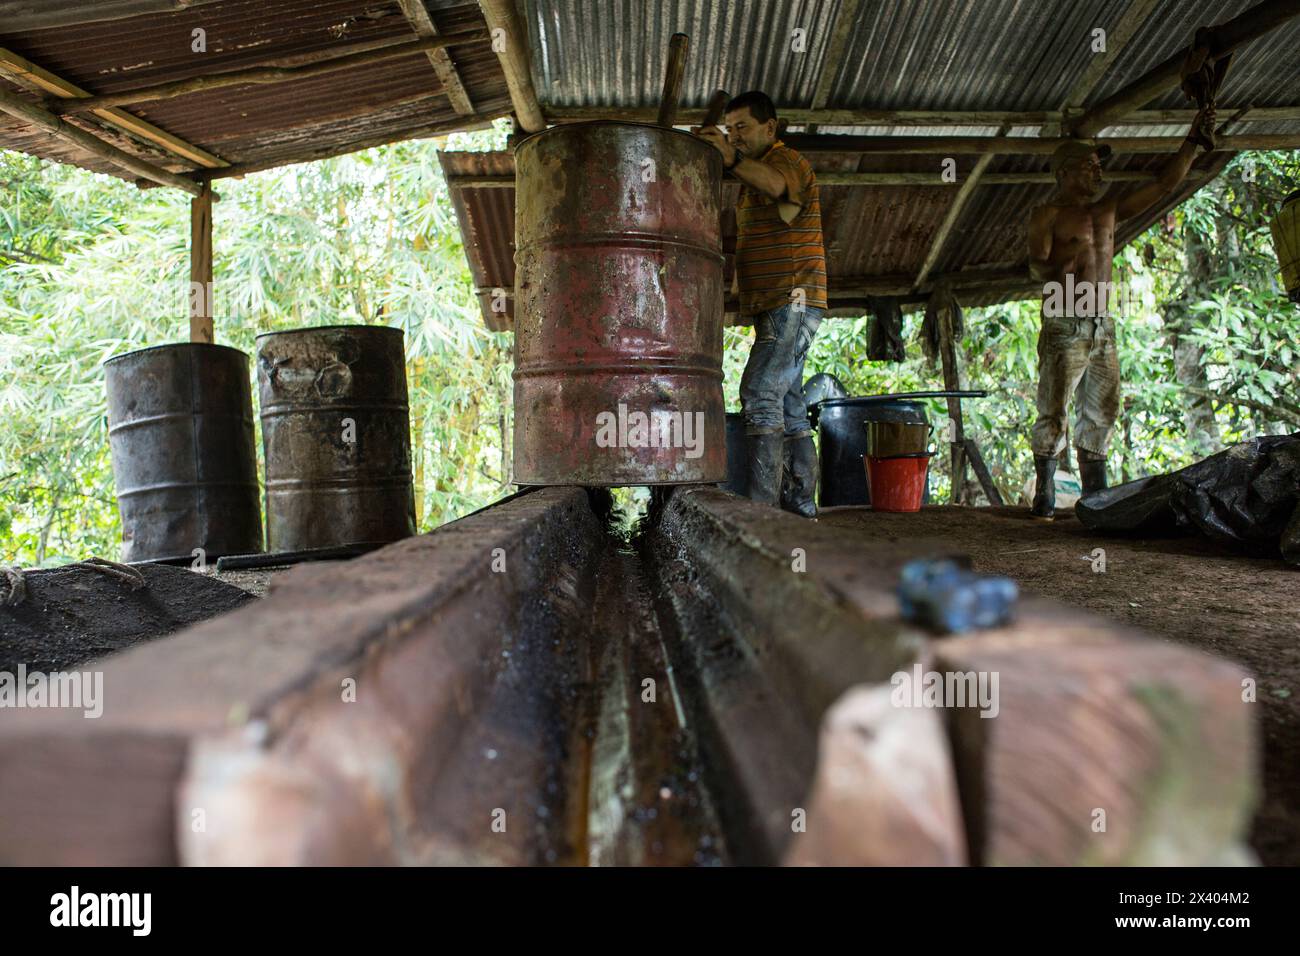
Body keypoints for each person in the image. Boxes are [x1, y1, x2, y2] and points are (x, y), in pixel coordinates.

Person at [1025, 107, 1215, 520]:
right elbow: (1034, 266)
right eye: (1089, 167)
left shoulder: (1108, 210)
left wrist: (1192, 143)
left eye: (1098, 167)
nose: (1097, 174)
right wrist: (1059, 266)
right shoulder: (1047, 214)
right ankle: (1045, 494)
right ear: (1064, 173)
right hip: (1063, 319)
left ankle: (1097, 501)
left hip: (1102, 324)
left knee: (1102, 411)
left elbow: (1165, 183)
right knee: (1053, 408)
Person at [695, 91, 827, 518]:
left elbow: (778, 186)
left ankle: (763, 515)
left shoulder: (785, 161)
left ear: (770, 128)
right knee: (788, 405)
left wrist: (729, 160)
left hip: (791, 301)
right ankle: (800, 507)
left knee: (759, 393)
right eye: (729, 130)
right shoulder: (752, 179)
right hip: (779, 303)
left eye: (742, 128)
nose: (734, 137)